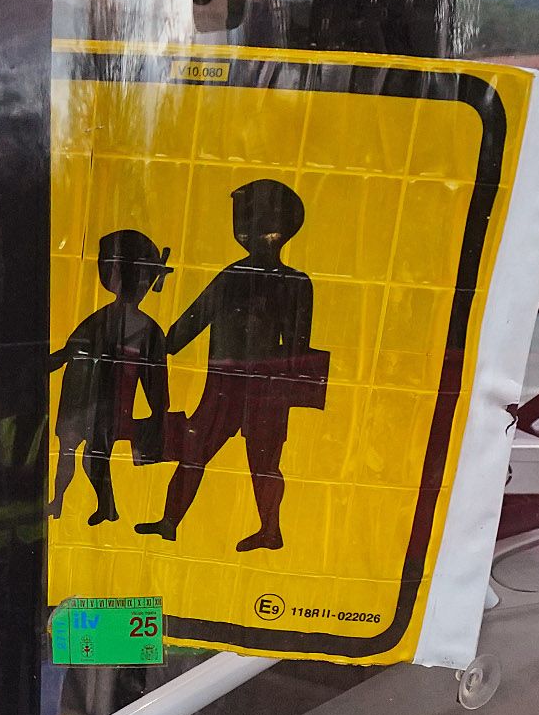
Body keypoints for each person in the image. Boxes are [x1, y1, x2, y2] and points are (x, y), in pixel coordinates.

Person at [135, 177, 329, 551]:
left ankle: (270, 530)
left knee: (264, 463)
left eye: (247, 215)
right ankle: (170, 521)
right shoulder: (233, 276)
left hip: (265, 392)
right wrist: (161, 344)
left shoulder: (295, 283)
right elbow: (193, 321)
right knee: (194, 454)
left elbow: (297, 346)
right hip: (223, 387)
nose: (241, 225)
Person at [47, 228, 175, 525]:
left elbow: (155, 379)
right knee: (70, 451)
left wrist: (159, 415)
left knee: (93, 456)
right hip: (80, 395)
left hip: (109, 404)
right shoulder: (103, 318)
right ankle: (60, 501)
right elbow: (71, 349)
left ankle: (105, 506)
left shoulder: (148, 330)